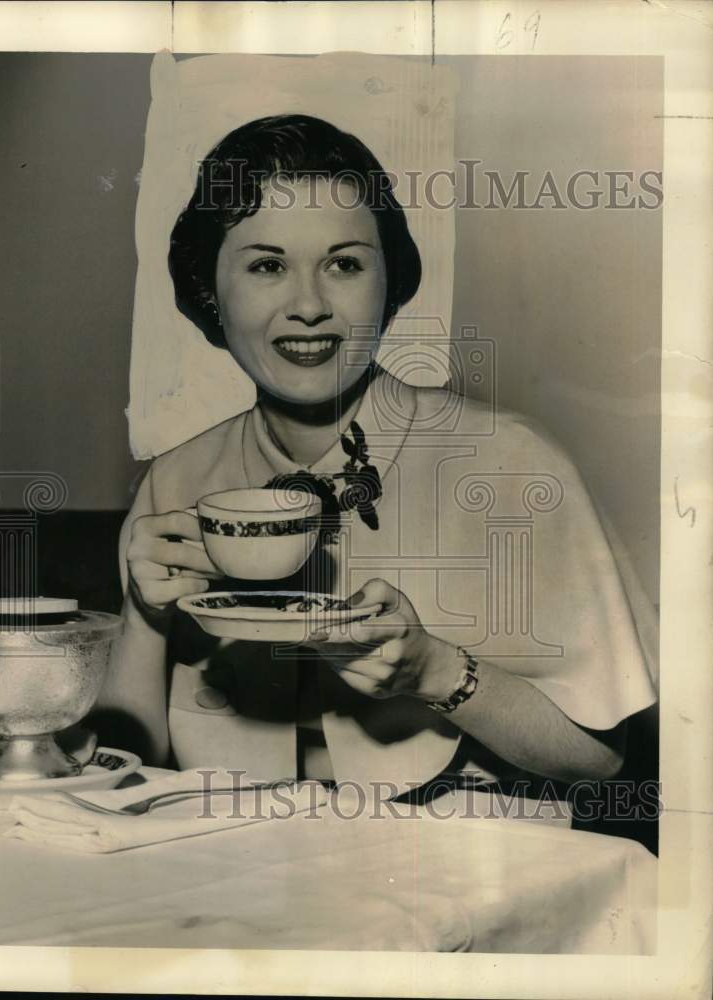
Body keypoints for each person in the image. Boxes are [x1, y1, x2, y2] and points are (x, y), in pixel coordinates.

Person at [95, 114, 656, 798]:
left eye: (344, 264)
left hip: (465, 854)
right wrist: (145, 616)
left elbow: (599, 759)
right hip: (233, 850)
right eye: (267, 265)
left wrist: (436, 673)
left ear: (388, 284)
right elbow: (127, 771)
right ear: (210, 291)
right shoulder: (176, 482)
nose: (308, 305)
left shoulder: (511, 463)